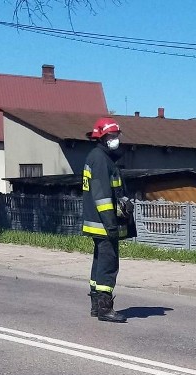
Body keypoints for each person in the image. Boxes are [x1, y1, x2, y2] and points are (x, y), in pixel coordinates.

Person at [82, 117, 136, 323]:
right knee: (108, 264)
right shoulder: (101, 159)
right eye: (112, 136)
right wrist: (111, 224)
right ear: (103, 137)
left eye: (116, 136)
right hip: (104, 224)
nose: (116, 140)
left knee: (99, 263)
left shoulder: (98, 157)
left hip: (98, 223)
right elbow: (102, 196)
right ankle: (105, 307)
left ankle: (96, 305)